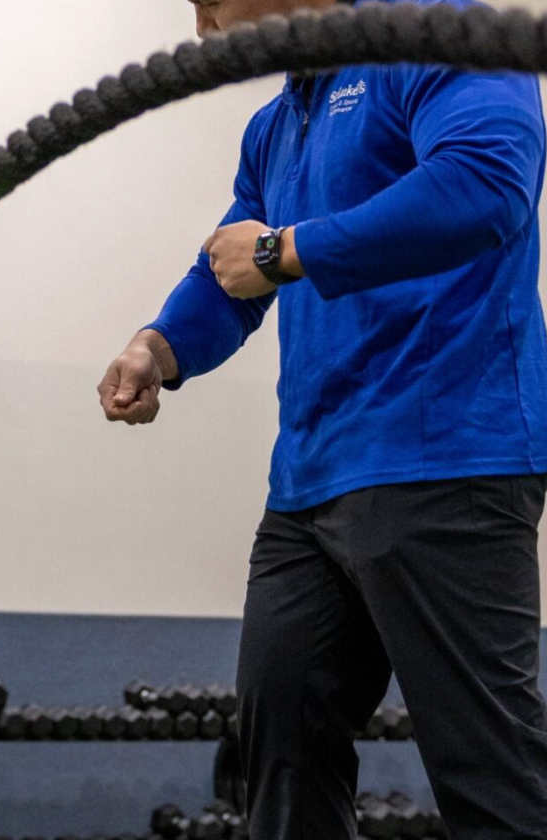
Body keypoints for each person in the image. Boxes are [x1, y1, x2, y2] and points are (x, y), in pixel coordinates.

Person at [98, 0, 547, 837]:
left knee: (490, 778)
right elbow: (229, 271)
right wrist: (157, 348)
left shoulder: (444, 33)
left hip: (447, 458)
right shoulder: (278, 124)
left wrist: (285, 250)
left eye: (208, 3)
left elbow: (488, 185)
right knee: (279, 756)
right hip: (307, 486)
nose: (204, 33)